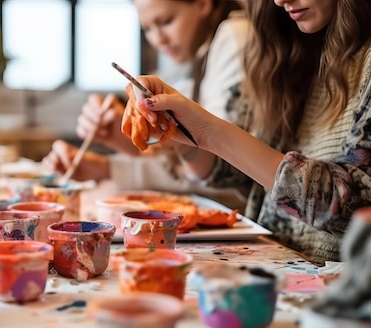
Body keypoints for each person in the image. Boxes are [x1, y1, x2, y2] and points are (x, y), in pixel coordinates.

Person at [121, 0, 371, 265]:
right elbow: (246, 178)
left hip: (338, 293)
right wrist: (180, 132)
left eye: (166, 21)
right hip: (273, 269)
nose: (278, 1)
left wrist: (211, 133)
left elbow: (358, 204)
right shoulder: (295, 53)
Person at [42, 0, 250, 211]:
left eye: (166, 21)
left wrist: (108, 167)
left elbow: (222, 171)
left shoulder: (233, 37)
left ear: (203, 3)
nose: (158, 40)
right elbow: (186, 161)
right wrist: (128, 145)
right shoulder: (193, 59)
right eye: (148, 29)